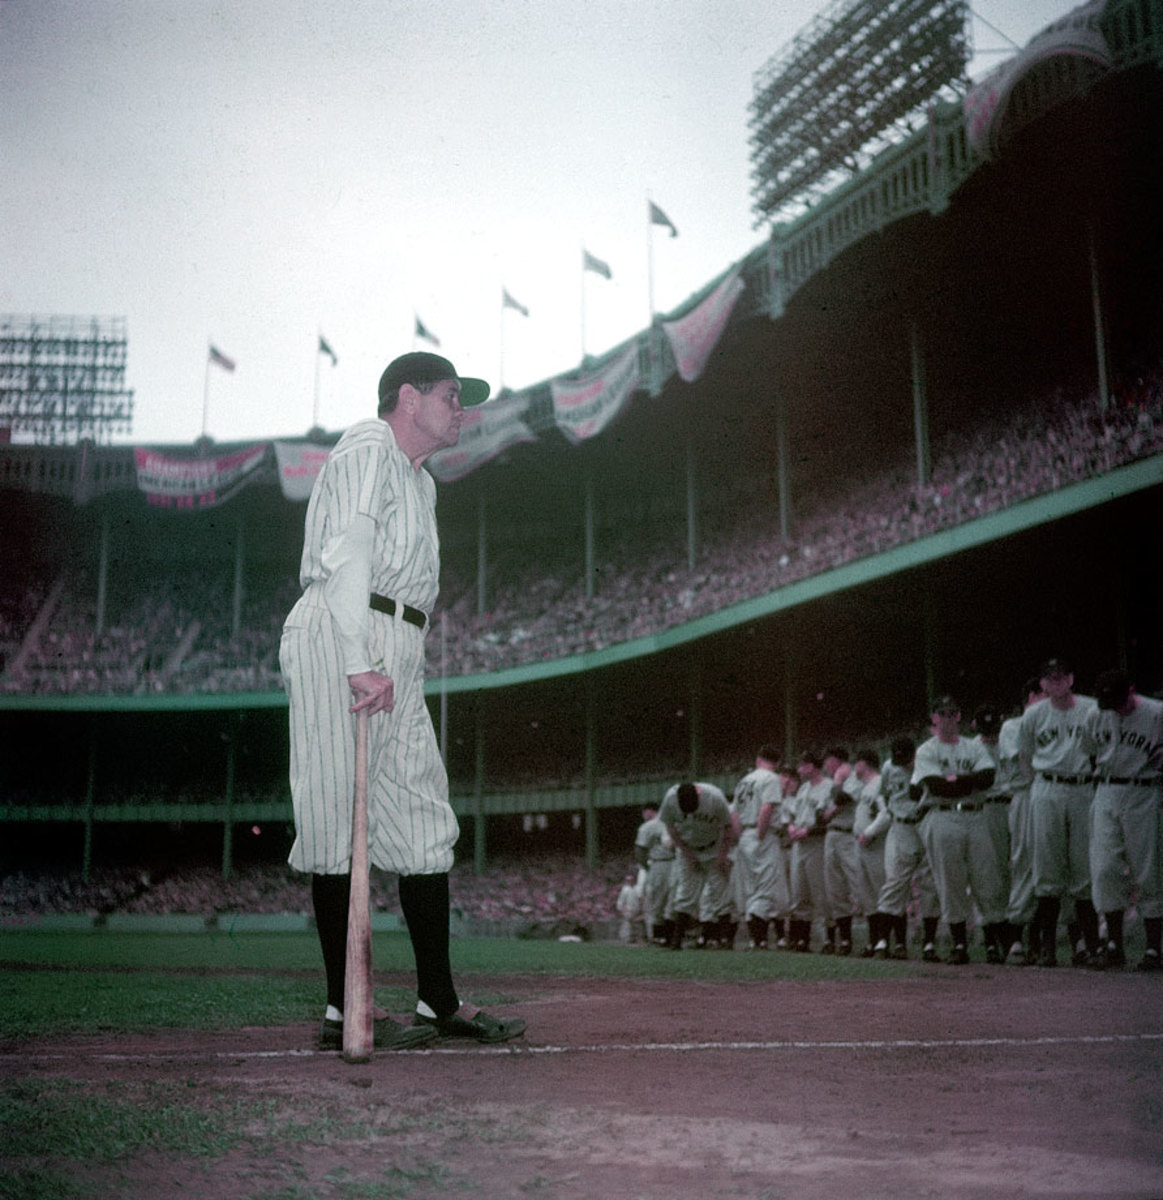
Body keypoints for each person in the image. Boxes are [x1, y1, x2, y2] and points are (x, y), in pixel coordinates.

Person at [280, 351, 526, 1050]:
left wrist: (385, 659)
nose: (461, 410)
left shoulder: (423, 486)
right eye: (452, 396)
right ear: (408, 398)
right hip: (341, 631)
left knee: (422, 819)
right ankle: (342, 1009)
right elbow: (348, 552)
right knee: (334, 819)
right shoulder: (368, 443)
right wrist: (358, 661)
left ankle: (436, 1000)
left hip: (400, 642)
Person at [1018, 658, 1100, 967]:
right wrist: (1039, 784)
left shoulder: (1091, 708)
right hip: (1048, 786)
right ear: (1042, 684)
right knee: (1047, 868)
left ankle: (1092, 947)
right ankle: (1048, 949)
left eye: (1062, 676)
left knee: (1083, 866)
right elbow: (1025, 758)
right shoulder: (1034, 715)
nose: (1056, 682)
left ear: (1071, 678)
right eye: (1050, 678)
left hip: (1081, 786)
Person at [913, 696, 1005, 965]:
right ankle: (959, 944)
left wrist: (956, 780)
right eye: (942, 713)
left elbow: (987, 779)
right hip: (942, 816)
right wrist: (967, 781)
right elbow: (937, 786)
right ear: (934, 718)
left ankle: (991, 945)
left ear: (959, 716)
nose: (948, 718)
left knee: (986, 879)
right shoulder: (926, 750)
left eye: (952, 713)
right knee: (950, 881)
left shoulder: (972, 747)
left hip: (975, 815)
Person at [1087, 668, 1163, 972]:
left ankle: (1154, 948)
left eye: (1119, 699)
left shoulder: (1156, 713)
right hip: (1107, 789)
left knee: (1149, 869)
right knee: (1104, 868)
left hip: (1145, 790)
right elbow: (1090, 753)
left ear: (1131, 690)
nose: (1115, 707)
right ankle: (1114, 945)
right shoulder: (1096, 715)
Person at [871, 735, 940, 960]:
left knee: (930, 885)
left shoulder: (926, 764)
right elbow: (882, 794)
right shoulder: (889, 767)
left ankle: (929, 944)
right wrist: (889, 810)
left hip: (925, 824)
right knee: (895, 882)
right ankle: (883, 942)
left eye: (905, 758)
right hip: (900, 826)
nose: (901, 762)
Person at [658, 780, 734, 949]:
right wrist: (687, 853)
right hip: (688, 847)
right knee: (685, 893)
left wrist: (722, 855)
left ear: (699, 795)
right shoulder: (670, 798)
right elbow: (670, 828)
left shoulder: (715, 797)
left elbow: (728, 827)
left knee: (720, 892)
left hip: (713, 847)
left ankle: (726, 941)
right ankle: (676, 941)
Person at [730, 744, 791, 950]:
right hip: (762, 834)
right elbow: (766, 808)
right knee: (766, 887)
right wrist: (760, 836)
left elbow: (735, 814)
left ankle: (757, 940)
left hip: (745, 835)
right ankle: (758, 940)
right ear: (777, 763)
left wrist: (743, 838)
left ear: (758, 760)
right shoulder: (771, 778)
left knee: (751, 888)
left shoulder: (744, 780)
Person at [1000, 679, 1044, 964]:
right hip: (1026, 794)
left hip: (1054, 792)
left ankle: (1052, 936)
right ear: (1031, 696)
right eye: (1042, 693)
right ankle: (1015, 934)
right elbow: (1025, 758)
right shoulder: (1013, 726)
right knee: (1025, 861)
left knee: (1056, 864)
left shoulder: (1060, 718)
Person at [972, 704, 1016, 964]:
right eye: (986, 729)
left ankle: (1014, 935)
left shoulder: (1008, 741)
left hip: (1010, 802)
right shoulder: (971, 747)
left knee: (1014, 869)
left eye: (994, 729)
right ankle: (991, 936)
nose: (991, 735)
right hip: (986, 806)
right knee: (987, 872)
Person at [786, 751, 833, 952]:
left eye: (801, 765)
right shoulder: (804, 788)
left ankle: (827, 940)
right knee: (799, 892)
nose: (799, 769)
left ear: (811, 766)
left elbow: (826, 819)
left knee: (820, 892)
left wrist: (807, 831)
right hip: (800, 844)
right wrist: (792, 827)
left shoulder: (828, 786)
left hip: (817, 843)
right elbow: (793, 815)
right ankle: (802, 940)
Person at [821, 747, 861, 954]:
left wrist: (837, 780)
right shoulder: (830, 783)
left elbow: (841, 799)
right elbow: (820, 815)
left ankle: (876, 939)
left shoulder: (852, 776)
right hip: (831, 835)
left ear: (836, 761)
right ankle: (845, 941)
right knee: (835, 891)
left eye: (828, 762)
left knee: (859, 884)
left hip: (848, 835)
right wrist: (828, 812)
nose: (825, 767)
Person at [852, 748, 890, 956]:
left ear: (863, 763)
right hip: (862, 844)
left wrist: (869, 832)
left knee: (881, 891)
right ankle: (874, 941)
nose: (854, 767)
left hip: (876, 843)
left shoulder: (879, 783)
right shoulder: (864, 787)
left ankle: (886, 942)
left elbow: (886, 814)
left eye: (856, 762)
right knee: (867, 896)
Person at [634, 805, 676, 945]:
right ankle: (659, 936)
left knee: (674, 900)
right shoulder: (649, 827)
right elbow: (640, 849)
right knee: (658, 900)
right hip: (660, 862)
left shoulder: (672, 821)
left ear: (651, 810)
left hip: (675, 861)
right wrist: (647, 867)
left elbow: (639, 849)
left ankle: (670, 936)